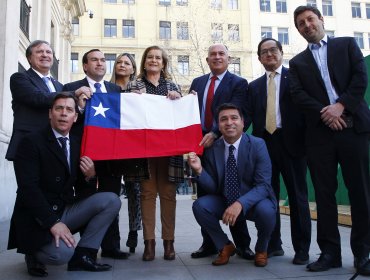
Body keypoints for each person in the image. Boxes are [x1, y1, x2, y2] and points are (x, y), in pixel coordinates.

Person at [289, 5, 370, 276]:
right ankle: (330, 254)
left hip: (353, 128)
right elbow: (298, 95)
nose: (307, 25)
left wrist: (341, 106)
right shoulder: (297, 63)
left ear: (321, 20)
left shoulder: (347, 45)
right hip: (320, 136)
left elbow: (360, 78)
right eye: (301, 23)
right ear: (298, 30)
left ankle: (362, 254)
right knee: (324, 196)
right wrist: (327, 113)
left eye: (310, 19)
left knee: (360, 192)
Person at [7, 92, 121, 277]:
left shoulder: (76, 144)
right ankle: (32, 252)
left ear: (75, 117)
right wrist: (53, 222)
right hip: (37, 216)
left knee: (111, 200)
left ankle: (84, 255)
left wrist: (90, 177)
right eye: (59, 108)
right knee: (61, 255)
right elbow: (28, 190)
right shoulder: (30, 142)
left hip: (63, 210)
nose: (63, 113)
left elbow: (84, 192)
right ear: (50, 113)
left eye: (69, 110)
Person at [246, 38, 311, 265]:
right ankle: (273, 245)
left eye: (273, 50)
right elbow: (245, 118)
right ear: (259, 58)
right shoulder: (253, 87)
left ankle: (302, 249)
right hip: (264, 147)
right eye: (264, 52)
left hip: (293, 145)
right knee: (268, 197)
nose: (269, 54)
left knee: (298, 197)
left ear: (281, 52)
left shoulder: (297, 78)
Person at [188, 103, 276, 267]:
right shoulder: (213, 148)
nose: (229, 123)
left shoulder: (258, 145)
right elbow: (214, 188)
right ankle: (225, 246)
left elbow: (263, 185)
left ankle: (262, 249)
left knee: (267, 210)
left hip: (253, 201)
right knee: (200, 206)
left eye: (234, 118)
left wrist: (240, 203)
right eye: (223, 119)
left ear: (243, 122)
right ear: (218, 126)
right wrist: (199, 170)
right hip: (225, 198)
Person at [188, 43, 253, 261]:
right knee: (205, 194)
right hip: (200, 148)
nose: (217, 57)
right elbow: (189, 112)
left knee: (232, 193)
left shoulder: (239, 83)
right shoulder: (197, 83)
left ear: (228, 58)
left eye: (221, 54)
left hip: (225, 145)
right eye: (212, 54)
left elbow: (236, 113)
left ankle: (243, 245)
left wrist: (215, 133)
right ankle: (211, 243)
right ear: (207, 60)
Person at [63, 49, 129, 260]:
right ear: (85, 66)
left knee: (112, 200)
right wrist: (80, 107)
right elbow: (67, 122)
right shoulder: (71, 89)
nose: (100, 63)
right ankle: (87, 249)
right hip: (83, 156)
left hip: (111, 157)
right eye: (94, 60)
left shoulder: (115, 90)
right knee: (86, 200)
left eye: (103, 60)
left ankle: (111, 247)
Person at [130, 45, 183, 261]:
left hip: (169, 151)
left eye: (158, 58)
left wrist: (179, 98)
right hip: (144, 151)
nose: (153, 60)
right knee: (147, 195)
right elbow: (127, 115)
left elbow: (180, 115)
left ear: (163, 63)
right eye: (150, 57)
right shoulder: (135, 84)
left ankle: (168, 244)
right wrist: (131, 97)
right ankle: (149, 244)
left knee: (169, 195)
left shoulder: (172, 85)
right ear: (144, 62)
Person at [110, 53, 147, 253]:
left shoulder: (139, 89)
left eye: (127, 63)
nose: (122, 65)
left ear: (133, 69)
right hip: (111, 147)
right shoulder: (105, 89)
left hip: (134, 147)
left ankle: (134, 231)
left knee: (135, 191)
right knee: (112, 192)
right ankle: (112, 234)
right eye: (119, 62)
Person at [6, 40, 63, 161]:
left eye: (48, 52)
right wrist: (72, 94)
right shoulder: (19, 78)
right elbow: (37, 98)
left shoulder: (59, 86)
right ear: (29, 58)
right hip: (28, 147)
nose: (45, 55)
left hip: (55, 147)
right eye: (39, 52)